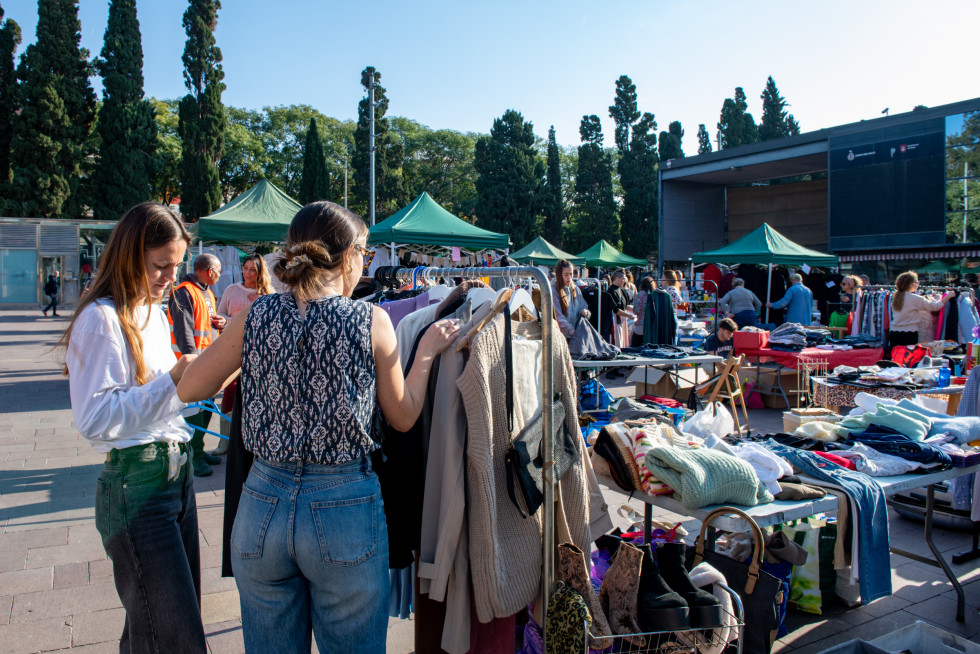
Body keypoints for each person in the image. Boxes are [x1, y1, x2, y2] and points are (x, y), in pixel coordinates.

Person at [176, 201, 460, 653]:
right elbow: (403, 416)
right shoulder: (372, 320)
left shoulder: (256, 315)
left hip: (261, 503)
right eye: (364, 255)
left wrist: (247, 361)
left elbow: (191, 388)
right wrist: (424, 353)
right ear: (349, 257)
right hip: (344, 506)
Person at [60, 202, 206, 652]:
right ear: (129, 256)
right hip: (137, 484)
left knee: (156, 629)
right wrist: (176, 382)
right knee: (174, 636)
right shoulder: (101, 319)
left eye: (177, 264)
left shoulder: (151, 311)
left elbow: (158, 399)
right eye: (161, 265)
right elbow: (95, 419)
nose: (170, 276)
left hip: (171, 477)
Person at [211, 253, 275, 456]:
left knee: (258, 394)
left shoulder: (268, 294)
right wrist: (224, 321)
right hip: (233, 348)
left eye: (252, 270)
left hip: (260, 352)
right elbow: (221, 313)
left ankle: (255, 439)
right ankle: (224, 442)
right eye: (245, 268)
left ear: (260, 272)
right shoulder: (231, 290)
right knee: (229, 392)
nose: (247, 273)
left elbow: (272, 325)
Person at [168, 254, 226, 477]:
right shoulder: (183, 292)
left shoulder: (205, 291)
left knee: (206, 409)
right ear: (209, 271)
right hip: (193, 364)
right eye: (218, 271)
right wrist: (192, 363)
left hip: (206, 361)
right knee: (194, 412)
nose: (219, 276)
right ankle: (194, 456)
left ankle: (200, 450)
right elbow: (184, 331)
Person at [889, 270, 953, 346]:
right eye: (917, 282)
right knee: (910, 357)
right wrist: (948, 296)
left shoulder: (895, 297)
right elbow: (935, 306)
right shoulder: (915, 298)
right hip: (909, 334)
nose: (918, 285)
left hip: (894, 332)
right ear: (912, 284)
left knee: (897, 356)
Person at [552, 258, 590, 338]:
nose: (569, 277)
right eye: (566, 275)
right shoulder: (553, 291)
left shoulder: (576, 289)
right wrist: (570, 330)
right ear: (559, 275)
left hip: (575, 336)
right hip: (560, 337)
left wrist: (586, 312)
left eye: (571, 274)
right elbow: (558, 316)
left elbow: (584, 306)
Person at [630, 276, 656, 347]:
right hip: (653, 325)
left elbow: (636, 311)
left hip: (641, 324)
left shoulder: (641, 294)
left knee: (635, 346)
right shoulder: (654, 295)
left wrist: (633, 308)